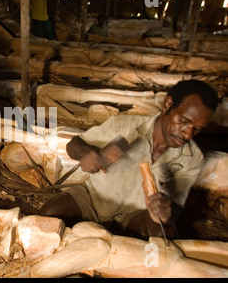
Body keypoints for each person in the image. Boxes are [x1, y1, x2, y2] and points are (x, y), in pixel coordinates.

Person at [39, 80, 219, 239]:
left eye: (197, 129)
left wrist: (167, 212)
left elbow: (177, 206)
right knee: (48, 215)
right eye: (184, 121)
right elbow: (74, 144)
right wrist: (85, 153)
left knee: (163, 235)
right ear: (168, 104)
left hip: (136, 214)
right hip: (94, 198)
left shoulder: (193, 158)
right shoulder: (125, 125)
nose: (188, 134)